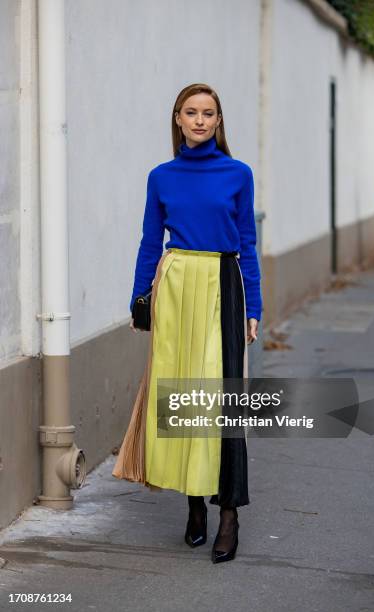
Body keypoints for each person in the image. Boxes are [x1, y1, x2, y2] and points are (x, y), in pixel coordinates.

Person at [112, 83, 262, 564]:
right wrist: (140, 298)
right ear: (177, 119)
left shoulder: (238, 174)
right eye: (191, 112)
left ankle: (229, 516)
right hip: (176, 287)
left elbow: (248, 242)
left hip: (223, 281)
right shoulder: (161, 176)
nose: (200, 120)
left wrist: (254, 306)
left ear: (219, 121)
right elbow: (149, 241)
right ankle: (194, 506)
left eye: (209, 113)